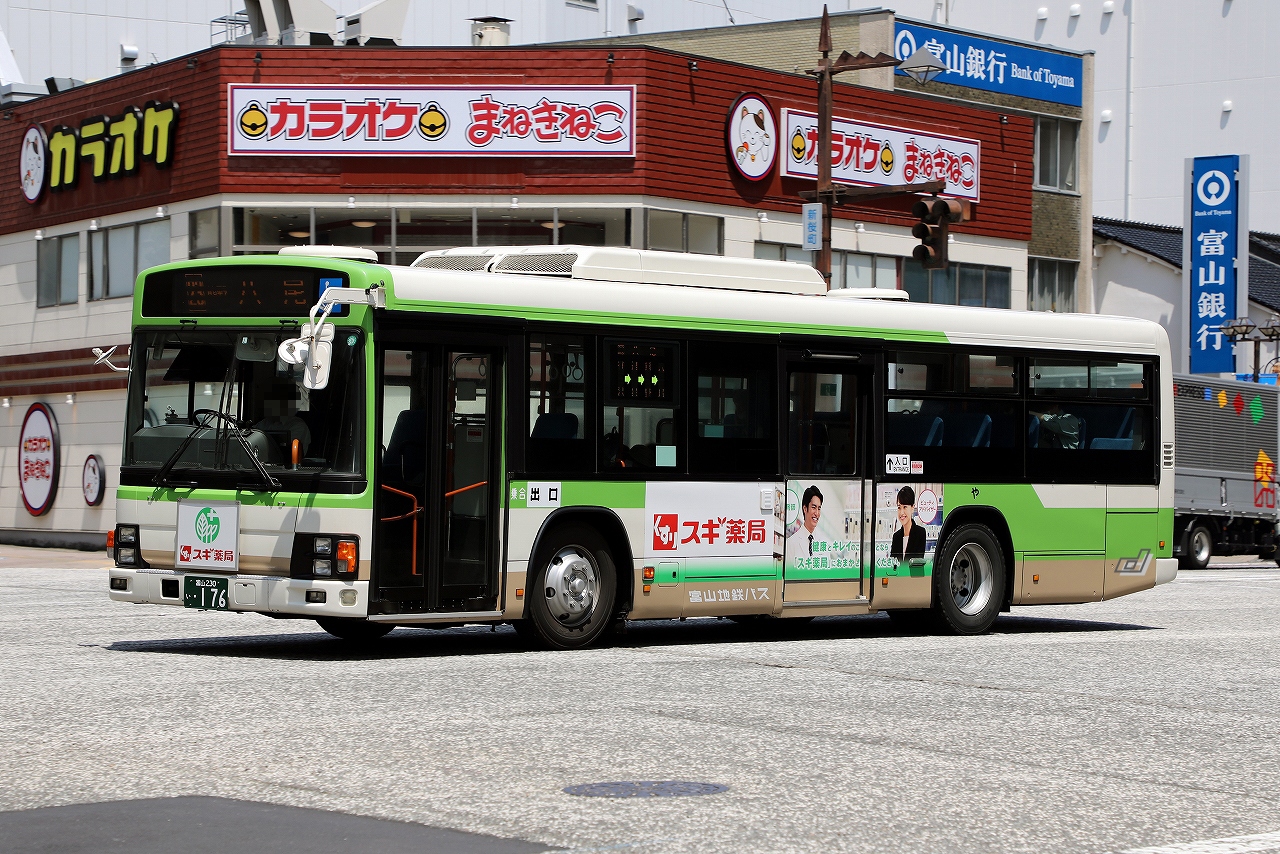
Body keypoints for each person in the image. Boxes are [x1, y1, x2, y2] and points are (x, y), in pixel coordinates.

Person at [890, 485, 926, 563]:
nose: (901, 512)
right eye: (899, 507)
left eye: (905, 507)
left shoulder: (920, 533)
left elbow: (918, 562)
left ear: (912, 508)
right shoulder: (896, 536)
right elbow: (893, 563)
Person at [787, 485, 823, 564]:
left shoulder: (823, 544)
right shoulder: (791, 543)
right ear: (805, 509)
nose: (817, 513)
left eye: (819, 508)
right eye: (813, 507)